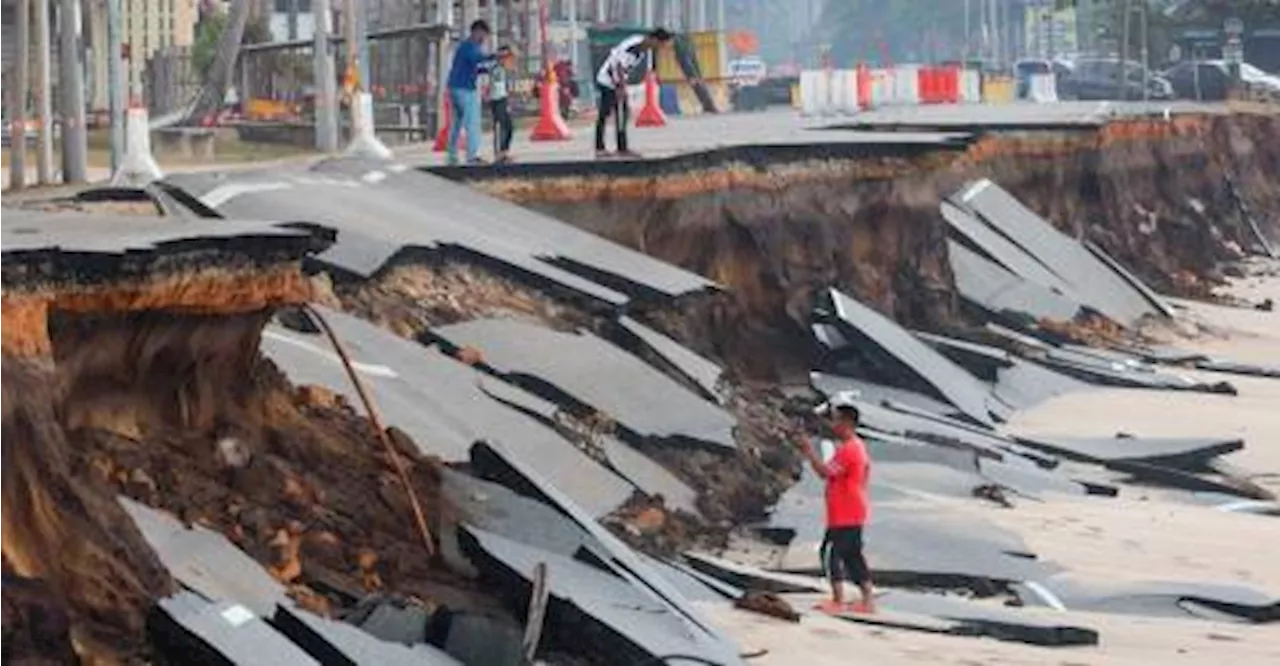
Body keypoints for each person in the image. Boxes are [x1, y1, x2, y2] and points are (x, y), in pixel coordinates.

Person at [794, 392, 875, 614]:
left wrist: (809, 451)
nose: (833, 424)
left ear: (847, 422)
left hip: (844, 513)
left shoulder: (849, 450)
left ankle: (838, 601)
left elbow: (824, 473)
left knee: (830, 553)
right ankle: (868, 601)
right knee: (853, 556)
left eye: (837, 419)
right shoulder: (857, 447)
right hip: (854, 510)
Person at [594, 28, 674, 159]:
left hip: (617, 82)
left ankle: (622, 148)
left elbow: (626, 68)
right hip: (607, 81)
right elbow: (617, 65)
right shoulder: (634, 45)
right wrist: (620, 87)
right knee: (605, 113)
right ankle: (600, 148)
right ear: (654, 40)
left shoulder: (642, 51)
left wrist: (623, 85)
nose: (660, 48)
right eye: (661, 44)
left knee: (623, 113)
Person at [446, 20, 497, 165]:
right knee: (472, 122)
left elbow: (475, 67)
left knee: (457, 123)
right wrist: (496, 56)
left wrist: (489, 68)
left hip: (454, 87)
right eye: (484, 35)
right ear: (477, 32)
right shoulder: (470, 46)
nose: (484, 39)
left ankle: (452, 156)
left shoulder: (465, 47)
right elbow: (478, 58)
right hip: (465, 89)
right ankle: (472, 156)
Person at [487, 45, 515, 164]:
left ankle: (504, 151)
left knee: (508, 127)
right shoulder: (495, 68)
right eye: (502, 57)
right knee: (501, 126)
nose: (505, 59)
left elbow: (507, 86)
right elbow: (494, 83)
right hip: (496, 99)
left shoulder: (505, 69)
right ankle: (500, 153)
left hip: (503, 98)